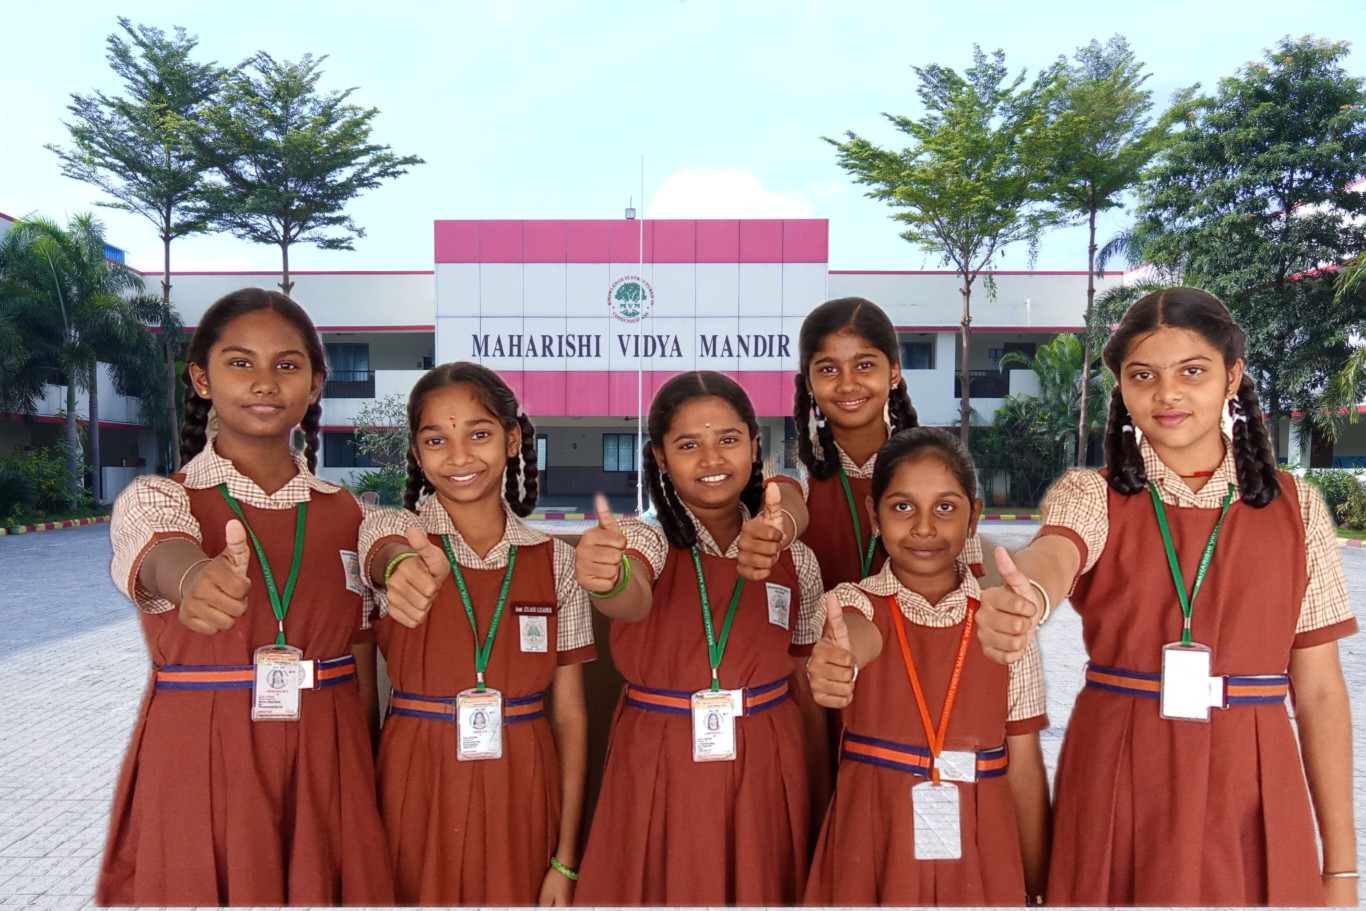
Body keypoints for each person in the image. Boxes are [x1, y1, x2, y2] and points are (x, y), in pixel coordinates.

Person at [976, 287, 1358, 906]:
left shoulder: (1298, 508)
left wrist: (1341, 870)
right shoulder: (1092, 494)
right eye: (1143, 375)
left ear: (1232, 376)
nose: (1167, 393)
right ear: (1122, 388)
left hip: (1253, 772)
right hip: (1124, 763)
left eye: (1192, 371)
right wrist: (1027, 596)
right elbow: (1055, 554)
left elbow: (1318, 690)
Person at [99, 288, 392, 906]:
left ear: (315, 384)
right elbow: (160, 550)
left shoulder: (351, 515)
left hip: (327, 752)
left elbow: (363, 659)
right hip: (203, 748)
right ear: (202, 379)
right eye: (240, 362)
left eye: (287, 364)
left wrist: (359, 769)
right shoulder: (161, 498)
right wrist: (191, 579)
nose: (264, 382)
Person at [572, 371, 825, 905]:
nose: (711, 459)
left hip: (766, 757)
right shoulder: (647, 538)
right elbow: (630, 596)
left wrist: (819, 797)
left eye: (727, 439)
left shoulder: (796, 558)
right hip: (661, 755)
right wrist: (608, 580)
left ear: (754, 446)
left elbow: (804, 683)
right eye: (688, 445)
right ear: (661, 458)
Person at [360, 362, 593, 906]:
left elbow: (569, 716)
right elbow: (378, 538)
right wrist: (396, 565)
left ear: (511, 440)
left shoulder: (555, 561)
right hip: (416, 777)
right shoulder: (397, 543)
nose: (459, 456)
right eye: (436, 440)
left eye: (479, 434)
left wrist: (565, 857)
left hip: (523, 780)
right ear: (417, 453)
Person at [804, 428, 1050, 905]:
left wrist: (1037, 883)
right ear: (874, 516)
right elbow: (855, 633)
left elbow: (1024, 764)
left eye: (945, 507)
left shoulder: (1003, 622)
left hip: (981, 838)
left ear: (973, 517)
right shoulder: (853, 603)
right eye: (902, 506)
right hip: (875, 835)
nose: (923, 527)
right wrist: (841, 657)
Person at [789, 297, 989, 590]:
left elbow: (966, 589)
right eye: (828, 369)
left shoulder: (938, 466)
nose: (847, 384)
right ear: (809, 382)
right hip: (815, 621)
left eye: (864, 365)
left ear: (894, 371)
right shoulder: (793, 476)